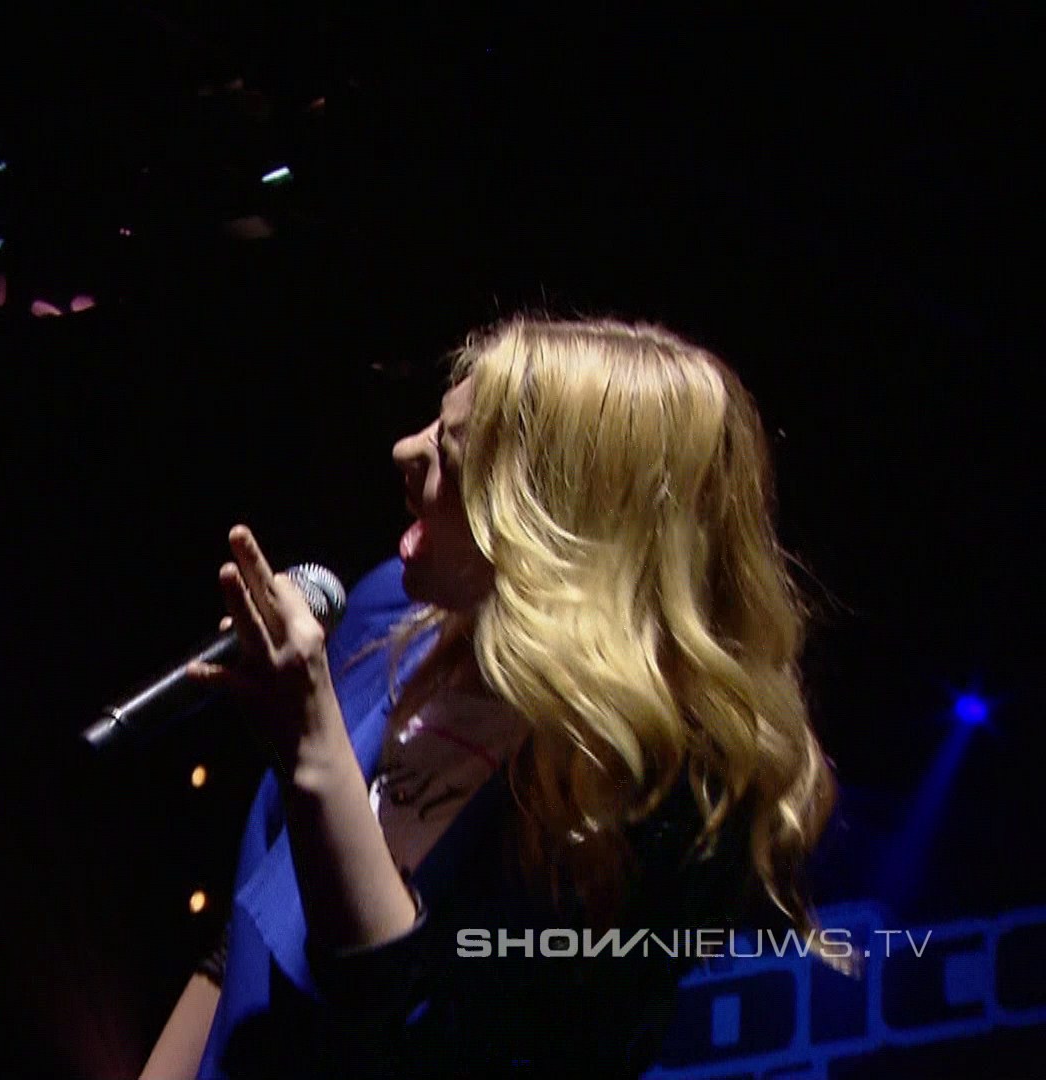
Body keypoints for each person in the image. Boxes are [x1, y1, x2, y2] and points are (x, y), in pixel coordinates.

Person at [137, 316, 841, 1078]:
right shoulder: (390, 617)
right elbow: (249, 933)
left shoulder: (658, 785)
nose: (404, 451)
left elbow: (402, 1024)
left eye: (449, 449)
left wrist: (311, 739)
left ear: (559, 515)